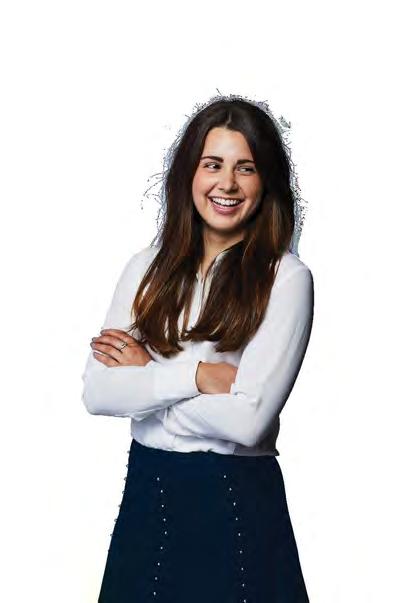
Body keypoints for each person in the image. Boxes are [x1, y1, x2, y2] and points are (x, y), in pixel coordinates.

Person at [81, 95, 314, 602]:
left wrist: (147, 381)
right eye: (213, 164)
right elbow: (99, 393)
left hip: (238, 507)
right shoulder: (145, 268)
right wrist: (200, 377)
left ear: (265, 182)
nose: (226, 183)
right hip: (147, 501)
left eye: (245, 168)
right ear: (190, 172)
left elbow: (247, 423)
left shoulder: (286, 279)